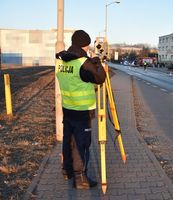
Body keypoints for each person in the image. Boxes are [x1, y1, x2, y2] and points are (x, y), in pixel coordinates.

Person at [55, 30, 106, 189]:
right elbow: (100, 78)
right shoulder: (83, 62)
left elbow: (77, 80)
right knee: (81, 144)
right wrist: (97, 63)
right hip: (82, 110)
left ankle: (67, 170)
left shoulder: (62, 60)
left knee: (69, 141)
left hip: (68, 107)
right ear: (85, 45)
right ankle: (80, 179)